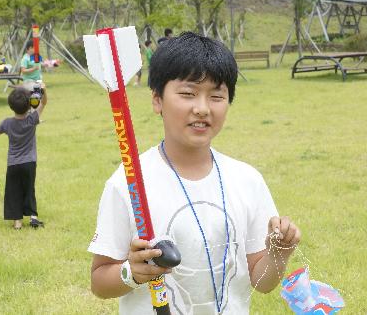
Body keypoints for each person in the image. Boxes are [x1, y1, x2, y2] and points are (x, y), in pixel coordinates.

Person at [88, 32, 301, 314]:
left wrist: (279, 253)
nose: (202, 109)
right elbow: (99, 282)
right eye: (187, 94)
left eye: (216, 96)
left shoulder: (247, 180)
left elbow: (261, 282)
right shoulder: (127, 182)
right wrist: (132, 273)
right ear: (157, 100)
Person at [0, 87, 47, 230]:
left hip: (13, 164)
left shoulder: (7, 123)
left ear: (11, 105)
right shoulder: (32, 119)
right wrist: (44, 91)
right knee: (29, 189)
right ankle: (33, 217)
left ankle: (17, 222)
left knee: (14, 191)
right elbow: (43, 103)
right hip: (29, 163)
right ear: (30, 103)